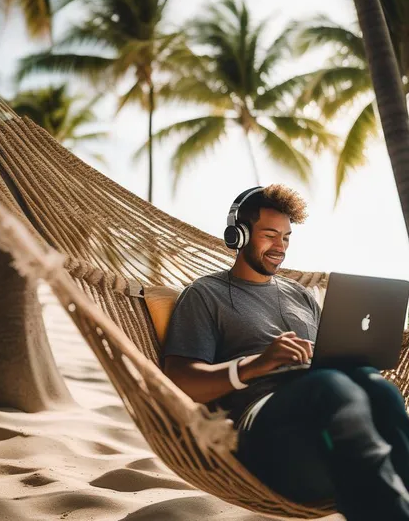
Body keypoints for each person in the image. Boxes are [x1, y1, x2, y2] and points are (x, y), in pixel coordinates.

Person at [163, 184, 409, 521]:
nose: (280, 247)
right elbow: (179, 381)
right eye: (269, 235)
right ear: (239, 235)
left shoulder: (302, 295)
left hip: (322, 432)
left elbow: (330, 360)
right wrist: (256, 364)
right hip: (262, 437)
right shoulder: (205, 295)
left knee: (374, 384)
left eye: (286, 238)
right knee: (330, 387)